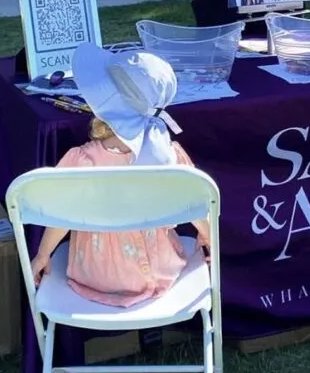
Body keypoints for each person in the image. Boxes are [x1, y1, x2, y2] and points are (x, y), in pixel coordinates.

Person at [29, 43, 211, 307]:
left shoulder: (84, 161)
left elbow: (61, 214)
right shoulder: (170, 157)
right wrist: (208, 236)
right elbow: (195, 206)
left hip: (97, 273)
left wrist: (43, 254)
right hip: (162, 268)